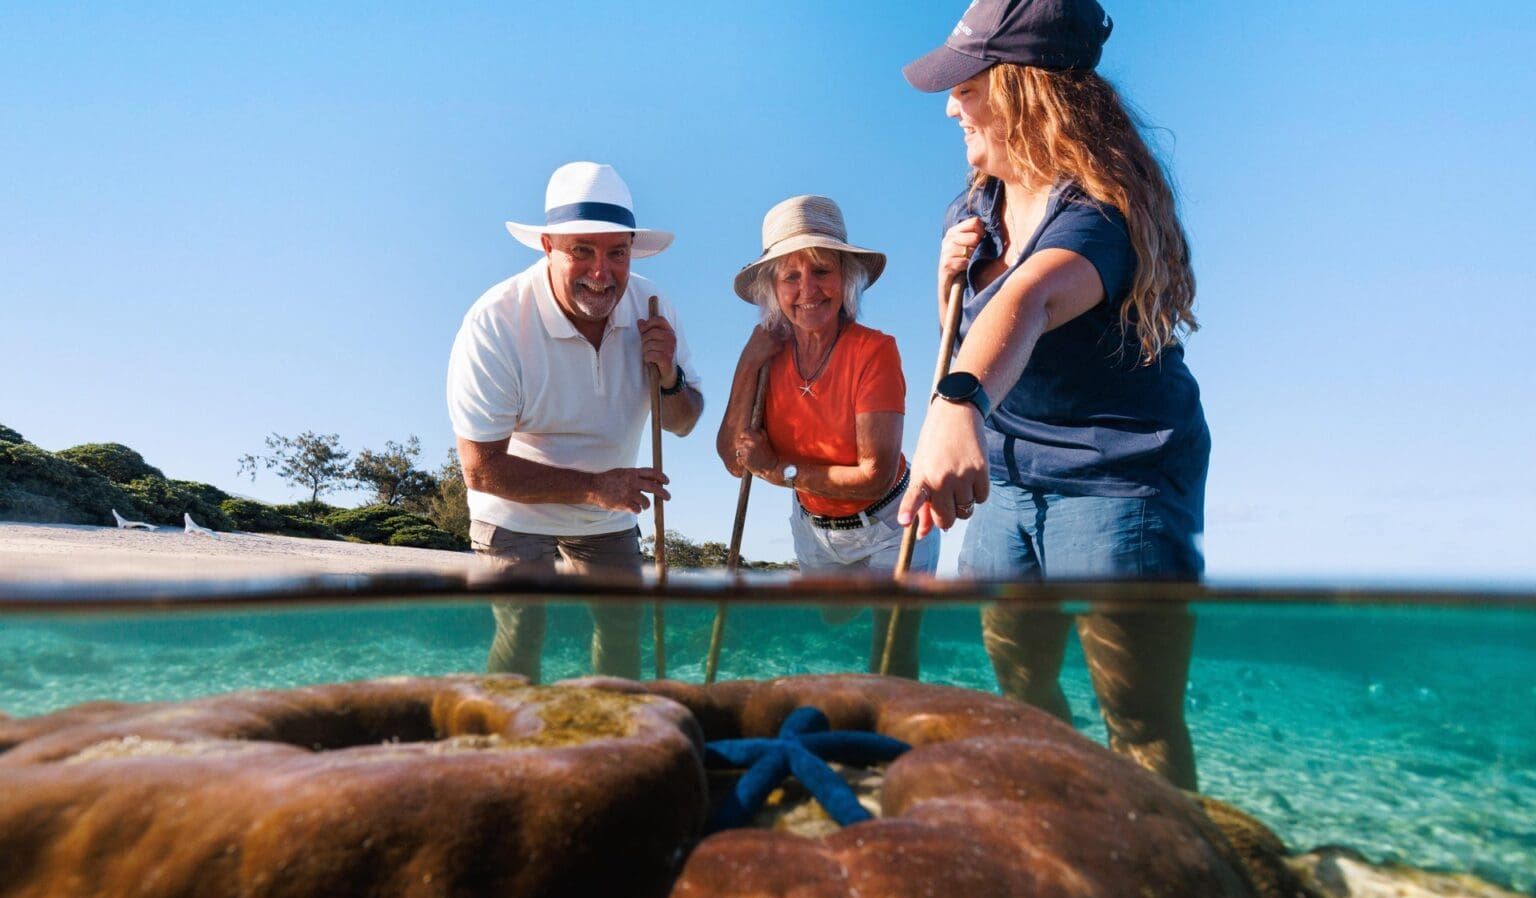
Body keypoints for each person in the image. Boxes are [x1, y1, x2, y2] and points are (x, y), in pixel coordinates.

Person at [898, 0, 1210, 788]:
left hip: (1118, 477)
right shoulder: (979, 203)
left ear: (1024, 89)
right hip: (1011, 474)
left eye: (967, 84)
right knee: (1019, 683)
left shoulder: (1100, 210)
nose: (949, 105)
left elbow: (1028, 301)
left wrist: (956, 405)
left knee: (1136, 712)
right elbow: (968, 327)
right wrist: (946, 282)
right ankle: (1064, 818)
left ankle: (1167, 880)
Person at [446, 161, 703, 682]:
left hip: (608, 511)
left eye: (616, 252)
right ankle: (506, 748)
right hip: (515, 508)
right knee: (523, 633)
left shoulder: (654, 308)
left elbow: (684, 422)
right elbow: (481, 470)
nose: (600, 271)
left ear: (632, 250)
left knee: (623, 632)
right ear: (547, 247)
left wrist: (669, 374)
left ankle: (613, 744)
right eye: (581, 250)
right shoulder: (495, 322)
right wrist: (595, 486)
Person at [717, 195, 937, 677]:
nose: (808, 289)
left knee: (893, 658)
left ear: (847, 279)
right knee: (832, 623)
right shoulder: (765, 356)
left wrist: (779, 470)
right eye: (790, 276)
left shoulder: (875, 351)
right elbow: (733, 461)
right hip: (816, 529)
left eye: (822, 271)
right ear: (772, 289)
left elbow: (874, 477)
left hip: (890, 522)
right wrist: (749, 362)